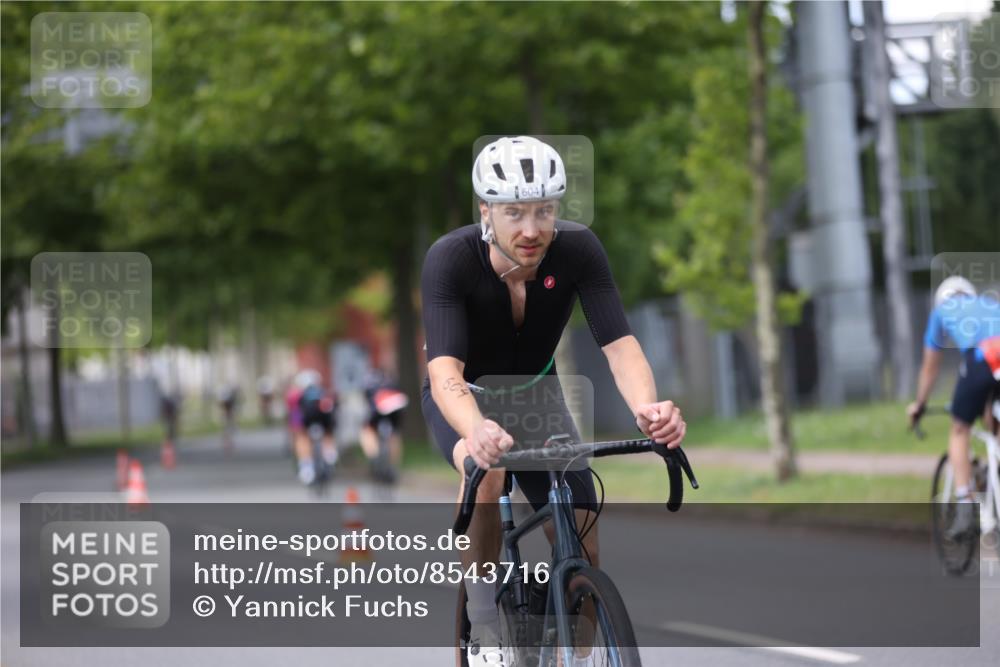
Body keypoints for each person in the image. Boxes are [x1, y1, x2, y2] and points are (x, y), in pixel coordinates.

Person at [421, 136, 687, 667]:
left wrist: (648, 407)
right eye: (514, 212)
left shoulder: (578, 249)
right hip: (463, 396)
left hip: (535, 396)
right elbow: (444, 369)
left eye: (544, 211)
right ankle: (488, 622)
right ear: (486, 212)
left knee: (582, 525)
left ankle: (580, 649)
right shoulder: (451, 259)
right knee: (487, 471)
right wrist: (475, 429)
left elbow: (621, 345)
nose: (530, 229)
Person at [908, 276, 1000, 537]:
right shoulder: (988, 303)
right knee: (993, 417)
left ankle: (965, 507)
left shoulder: (941, 311)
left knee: (960, 428)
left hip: (984, 357)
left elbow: (930, 367)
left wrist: (920, 404)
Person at [358, 368, 408, 480]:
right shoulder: (392, 382)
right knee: (394, 435)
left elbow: (366, 401)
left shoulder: (369, 385)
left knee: (367, 431)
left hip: (377, 408)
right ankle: (393, 465)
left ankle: (374, 456)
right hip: (396, 407)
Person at [292, 369, 339, 485]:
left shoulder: (297, 395)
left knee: (302, 436)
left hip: (307, 418)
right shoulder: (323, 392)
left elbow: (295, 414)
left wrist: (295, 428)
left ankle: (306, 466)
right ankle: (330, 453)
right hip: (325, 417)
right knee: (328, 434)